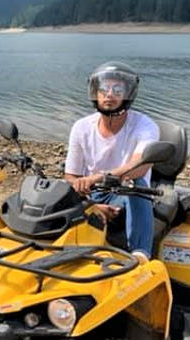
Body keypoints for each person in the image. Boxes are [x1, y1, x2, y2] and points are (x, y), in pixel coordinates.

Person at [63, 61, 160, 263]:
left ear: (127, 93)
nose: (109, 94)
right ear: (95, 92)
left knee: (134, 185)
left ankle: (140, 254)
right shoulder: (81, 127)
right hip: (93, 191)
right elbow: (71, 174)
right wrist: (93, 205)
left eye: (117, 89)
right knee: (56, 192)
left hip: (125, 191)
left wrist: (98, 177)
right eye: (104, 89)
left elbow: (138, 166)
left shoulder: (145, 125)